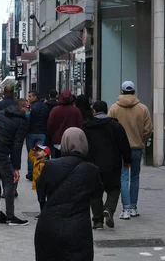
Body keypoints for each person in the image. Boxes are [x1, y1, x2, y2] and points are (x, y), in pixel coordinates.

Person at [35, 128, 103, 261]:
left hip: (49, 225)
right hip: (78, 228)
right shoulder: (91, 169)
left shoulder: (50, 166)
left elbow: (41, 187)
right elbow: (97, 194)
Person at [82, 100, 132, 230]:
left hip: (92, 164)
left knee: (95, 193)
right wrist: (127, 160)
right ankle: (109, 208)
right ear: (106, 110)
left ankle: (97, 221)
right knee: (114, 189)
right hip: (112, 164)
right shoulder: (115, 125)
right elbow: (124, 144)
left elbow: (82, 146)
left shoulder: (86, 126)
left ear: (94, 111)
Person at [108, 81, 153, 220]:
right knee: (135, 177)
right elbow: (148, 130)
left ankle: (125, 209)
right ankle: (133, 207)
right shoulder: (143, 108)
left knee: (123, 177)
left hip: (120, 150)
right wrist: (141, 140)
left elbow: (109, 128)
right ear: (134, 91)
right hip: (136, 148)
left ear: (121, 91)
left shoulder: (114, 108)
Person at [47, 90, 84, 158]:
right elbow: (80, 125)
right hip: (72, 141)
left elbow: (50, 124)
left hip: (58, 140)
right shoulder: (76, 110)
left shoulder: (55, 110)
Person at [26, 91, 49, 181]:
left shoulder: (31, 108)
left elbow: (28, 121)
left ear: (35, 97)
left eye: (30, 96)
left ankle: (31, 173)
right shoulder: (44, 107)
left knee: (31, 153)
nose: (29, 98)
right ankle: (38, 172)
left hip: (31, 133)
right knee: (39, 153)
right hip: (42, 133)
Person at [28, 145, 50, 212]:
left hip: (43, 184)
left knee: (42, 199)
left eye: (40, 151)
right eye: (37, 150)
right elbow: (31, 156)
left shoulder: (46, 163)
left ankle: (44, 212)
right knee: (39, 199)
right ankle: (42, 212)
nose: (37, 152)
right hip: (37, 184)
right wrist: (33, 150)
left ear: (45, 153)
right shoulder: (36, 160)